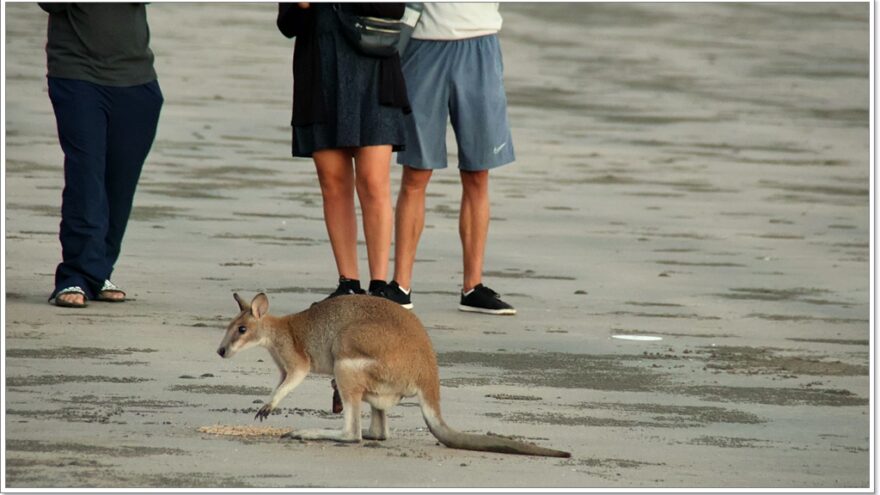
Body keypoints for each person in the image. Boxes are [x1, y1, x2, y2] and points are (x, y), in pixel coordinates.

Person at [384, 3, 516, 315]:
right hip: (423, 45)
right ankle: (401, 285)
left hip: (480, 43)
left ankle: (473, 286)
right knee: (416, 172)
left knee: (477, 173)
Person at [277, 2, 410, 301]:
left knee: (373, 181)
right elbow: (287, 25)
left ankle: (379, 286)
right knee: (333, 183)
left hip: (374, 68)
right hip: (319, 72)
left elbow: (394, 8)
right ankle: (348, 282)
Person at [41, 3, 164, 308]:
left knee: (119, 186)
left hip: (137, 78)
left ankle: (97, 272)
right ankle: (74, 275)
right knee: (86, 176)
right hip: (76, 73)